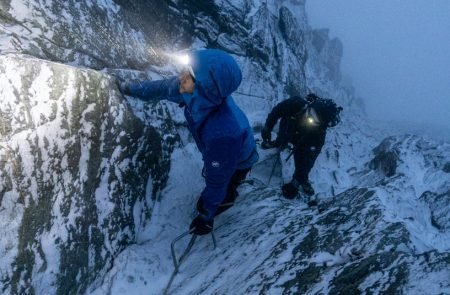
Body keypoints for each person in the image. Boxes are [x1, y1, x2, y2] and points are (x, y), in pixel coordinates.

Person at [118, 49, 259, 236]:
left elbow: (217, 179)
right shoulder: (193, 90)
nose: (182, 76)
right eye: (186, 69)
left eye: (190, 74)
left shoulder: (224, 133)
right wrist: (130, 89)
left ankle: (228, 198)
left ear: (205, 87)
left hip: (239, 160)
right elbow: (161, 88)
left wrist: (206, 216)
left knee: (219, 190)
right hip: (220, 148)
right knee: (214, 176)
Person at [261, 93, 342, 199]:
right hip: (288, 126)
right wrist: (267, 129)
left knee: (301, 156)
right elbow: (276, 112)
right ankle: (278, 143)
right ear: (310, 106)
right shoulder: (295, 103)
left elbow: (309, 159)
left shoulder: (318, 136)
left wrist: (296, 182)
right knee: (283, 137)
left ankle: (302, 179)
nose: (309, 117)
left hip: (305, 138)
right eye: (311, 113)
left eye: (314, 119)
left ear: (321, 124)